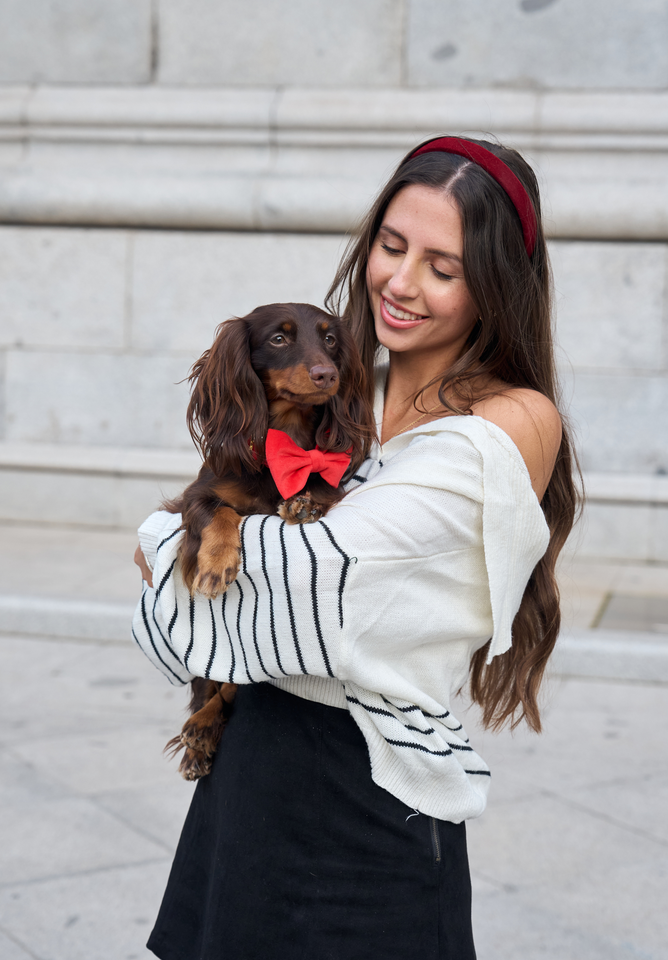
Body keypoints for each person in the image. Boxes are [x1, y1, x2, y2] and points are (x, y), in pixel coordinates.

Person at [132, 135, 579, 960]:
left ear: (496, 285)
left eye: (444, 269)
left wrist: (161, 539)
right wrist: (199, 560)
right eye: (392, 246)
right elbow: (179, 627)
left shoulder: (511, 419)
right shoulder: (348, 393)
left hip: (368, 805)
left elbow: (314, 600)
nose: (402, 284)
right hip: (248, 775)